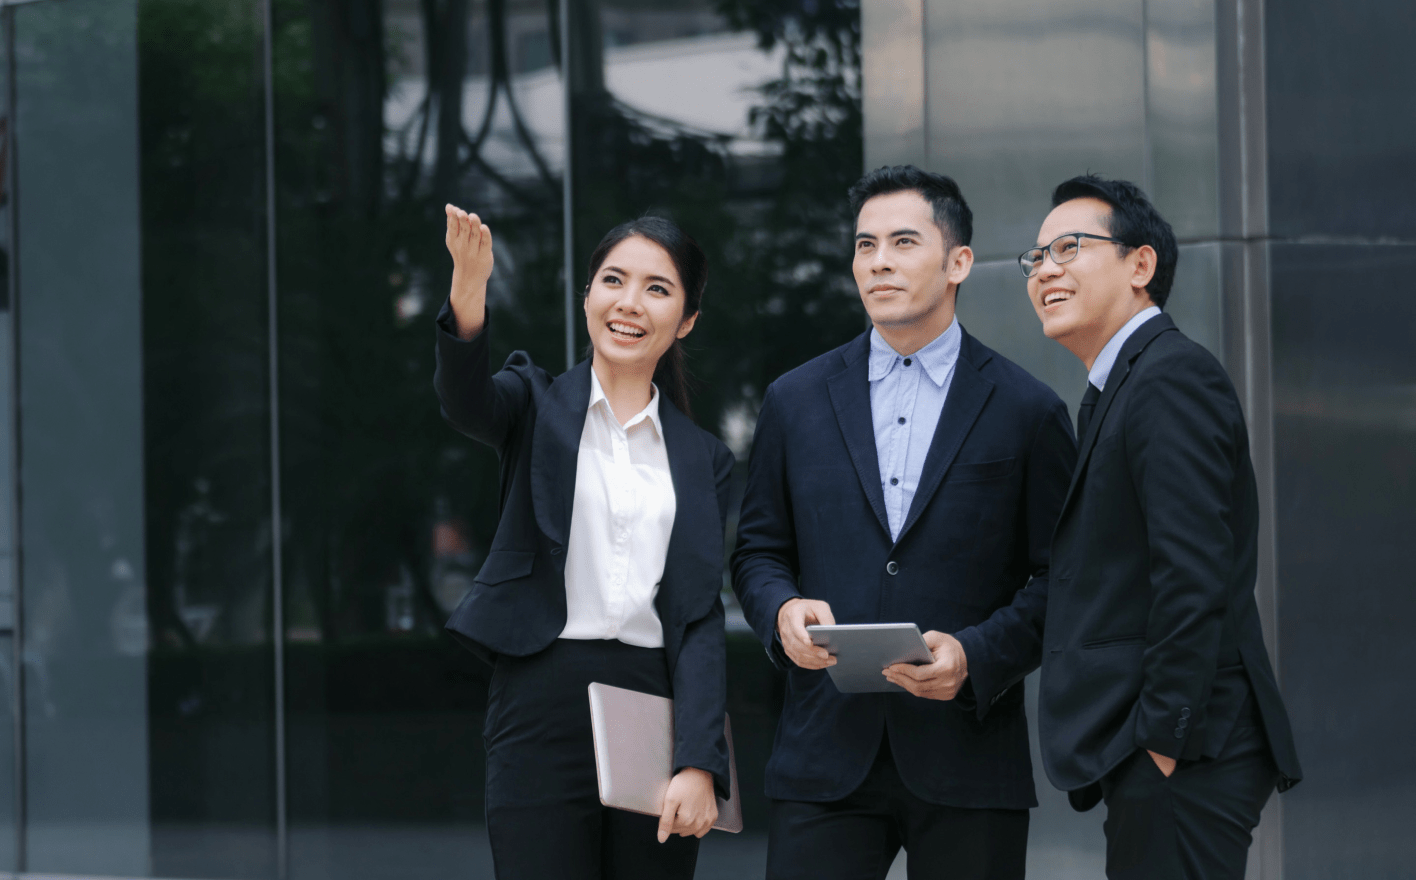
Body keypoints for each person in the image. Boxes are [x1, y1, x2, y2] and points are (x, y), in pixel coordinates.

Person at [732, 165, 1077, 880]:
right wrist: (783, 611)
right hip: (823, 753)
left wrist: (976, 657)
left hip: (968, 754)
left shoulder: (1027, 410)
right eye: (864, 245)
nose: (878, 261)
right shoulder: (794, 401)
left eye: (902, 241)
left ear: (958, 262)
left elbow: (1063, 578)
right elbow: (759, 550)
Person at [433, 206, 734, 879]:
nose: (630, 303)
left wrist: (699, 760)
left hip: (652, 704)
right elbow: (465, 401)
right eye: (613, 280)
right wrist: (469, 288)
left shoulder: (702, 458)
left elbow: (698, 618)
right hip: (539, 694)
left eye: (658, 288)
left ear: (685, 320)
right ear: (589, 295)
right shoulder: (534, 403)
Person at [1022, 174, 1303, 879]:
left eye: (1068, 247)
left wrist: (1163, 740)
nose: (1045, 269)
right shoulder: (1125, 386)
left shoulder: (1169, 378)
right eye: (1036, 257)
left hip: (1190, 749)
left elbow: (1193, 571)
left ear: (1139, 265)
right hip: (1167, 751)